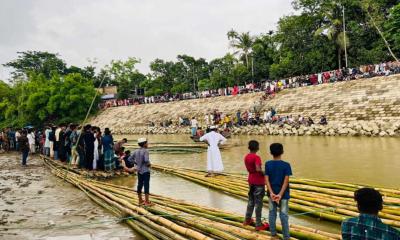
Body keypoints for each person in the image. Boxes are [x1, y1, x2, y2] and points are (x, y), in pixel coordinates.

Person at [265, 143, 292, 240]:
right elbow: (286, 181)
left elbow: (266, 180)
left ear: (271, 153)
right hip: (283, 195)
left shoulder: (267, 164)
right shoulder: (286, 165)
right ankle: (286, 237)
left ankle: (273, 234)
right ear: (282, 152)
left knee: (272, 213)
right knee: (284, 215)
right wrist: (280, 194)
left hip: (271, 195)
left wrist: (271, 193)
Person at [243, 140, 269, 231]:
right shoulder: (256, 157)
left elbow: (251, 168)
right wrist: (265, 173)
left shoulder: (246, 156)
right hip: (258, 182)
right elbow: (258, 169)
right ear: (257, 148)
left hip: (251, 180)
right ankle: (258, 224)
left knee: (251, 201)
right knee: (258, 203)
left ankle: (247, 220)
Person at [131, 138, 152, 206]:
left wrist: (136, 163)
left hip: (139, 170)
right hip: (145, 171)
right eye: (147, 143)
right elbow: (146, 160)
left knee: (140, 185)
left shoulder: (136, 151)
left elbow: (129, 159)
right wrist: (149, 164)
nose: (147, 144)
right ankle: (147, 201)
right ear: (144, 144)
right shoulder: (146, 151)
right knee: (146, 185)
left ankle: (140, 200)